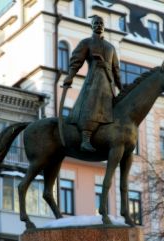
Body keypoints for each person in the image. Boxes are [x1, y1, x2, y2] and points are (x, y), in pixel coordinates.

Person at [63, 15, 122, 152]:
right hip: (93, 81)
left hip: (108, 83)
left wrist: (121, 86)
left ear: (104, 26)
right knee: (91, 106)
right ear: (91, 25)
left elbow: (116, 69)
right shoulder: (86, 42)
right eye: (96, 23)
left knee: (111, 110)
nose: (98, 25)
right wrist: (70, 76)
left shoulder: (111, 47)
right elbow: (76, 60)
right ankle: (85, 139)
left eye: (101, 23)